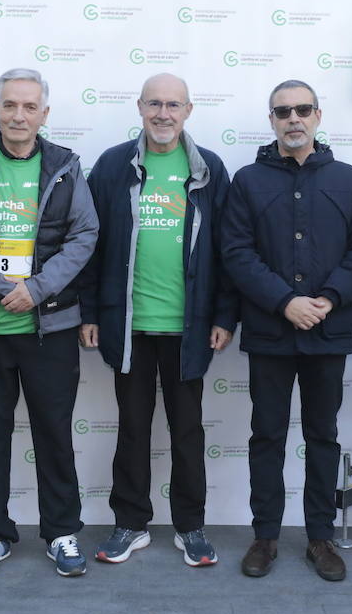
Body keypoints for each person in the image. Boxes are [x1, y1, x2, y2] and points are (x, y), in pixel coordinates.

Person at [0, 68, 99, 577]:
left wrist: (38, 288)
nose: (19, 115)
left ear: (44, 114)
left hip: (48, 329)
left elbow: (84, 235)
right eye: (10, 105)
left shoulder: (67, 167)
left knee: (54, 433)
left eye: (30, 107)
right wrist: (1, 288)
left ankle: (62, 533)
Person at [219, 79, 352, 582]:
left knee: (322, 435)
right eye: (282, 111)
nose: (293, 119)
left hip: (327, 333)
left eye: (302, 110)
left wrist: (327, 299)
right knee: (266, 435)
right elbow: (236, 252)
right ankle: (264, 536)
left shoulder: (348, 178)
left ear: (318, 115)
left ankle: (319, 537)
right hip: (271, 332)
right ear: (271, 120)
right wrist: (284, 302)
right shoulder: (248, 181)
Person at [80, 73, 237, 567]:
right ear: (139, 108)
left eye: (173, 105)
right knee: (132, 428)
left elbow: (229, 249)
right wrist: (88, 311)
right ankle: (130, 523)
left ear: (189, 110)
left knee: (188, 430)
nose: (163, 114)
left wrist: (225, 316)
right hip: (128, 326)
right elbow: (89, 243)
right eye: (154, 104)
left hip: (189, 329)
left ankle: (190, 527)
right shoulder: (112, 166)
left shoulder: (209, 168)